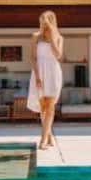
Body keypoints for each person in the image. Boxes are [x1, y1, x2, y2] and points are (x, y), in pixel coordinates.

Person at [26, 10, 64, 150]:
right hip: (39, 72)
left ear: (51, 22)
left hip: (53, 72)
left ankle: (43, 139)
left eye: (45, 21)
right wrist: (37, 76)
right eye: (41, 21)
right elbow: (33, 57)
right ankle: (49, 135)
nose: (42, 24)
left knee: (50, 106)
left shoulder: (59, 37)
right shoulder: (35, 36)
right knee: (42, 106)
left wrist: (52, 37)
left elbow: (58, 55)